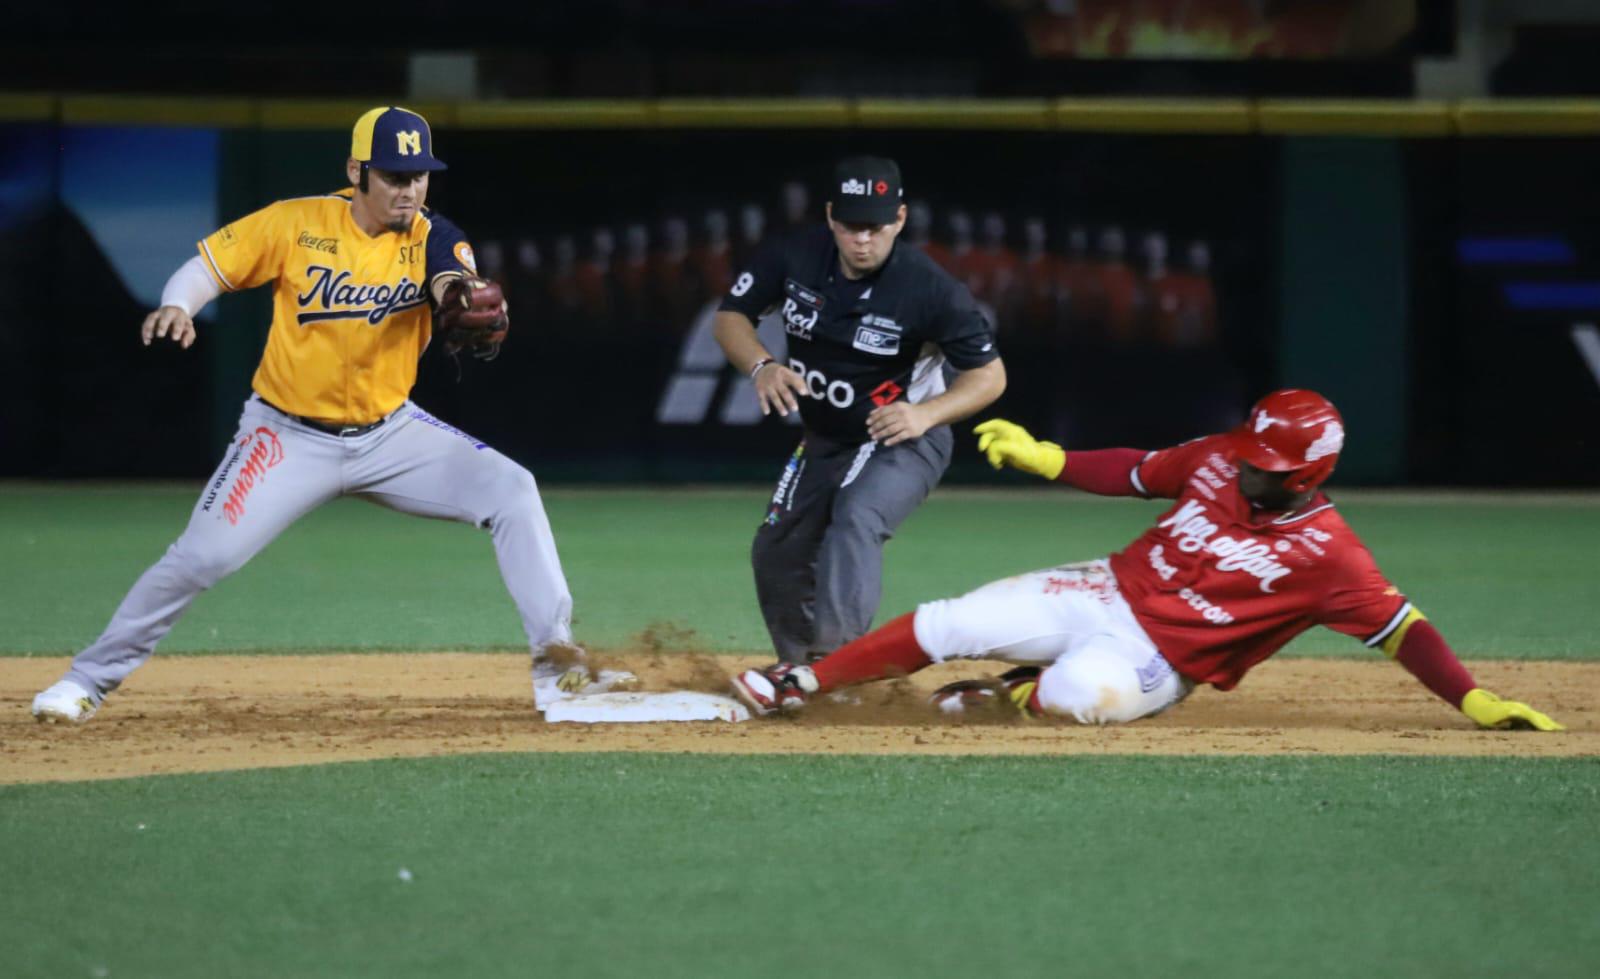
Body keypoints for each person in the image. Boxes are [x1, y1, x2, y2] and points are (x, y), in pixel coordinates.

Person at [31, 106, 631, 724]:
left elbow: (455, 281)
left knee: (513, 489)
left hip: (391, 434)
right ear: (356, 171)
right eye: (395, 175)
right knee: (202, 557)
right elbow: (207, 268)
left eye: (420, 174)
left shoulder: (435, 235)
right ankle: (86, 681)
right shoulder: (296, 223)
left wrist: (459, 299)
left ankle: (559, 667)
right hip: (284, 436)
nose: (409, 188)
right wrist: (179, 304)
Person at [730, 390, 1564, 733]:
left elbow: (1400, 628)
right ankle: (801, 680)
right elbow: (1135, 469)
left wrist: (1474, 698)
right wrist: (1049, 458)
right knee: (952, 621)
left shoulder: (1331, 557)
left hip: (1158, 657)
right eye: (1245, 451)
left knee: (1070, 696)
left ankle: (1015, 692)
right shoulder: (1214, 457)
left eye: (1262, 463)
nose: (1242, 465)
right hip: (1101, 586)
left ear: (1306, 474)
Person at [713, 155, 1007, 664]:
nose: (862, 239)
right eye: (851, 225)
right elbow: (731, 316)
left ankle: (838, 665)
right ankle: (801, 670)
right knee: (776, 549)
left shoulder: (931, 289)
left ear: (899, 219)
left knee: (856, 517)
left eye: (875, 226)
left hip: (901, 437)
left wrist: (927, 413)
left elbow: (990, 376)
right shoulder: (794, 254)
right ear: (830, 217)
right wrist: (763, 367)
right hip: (826, 436)